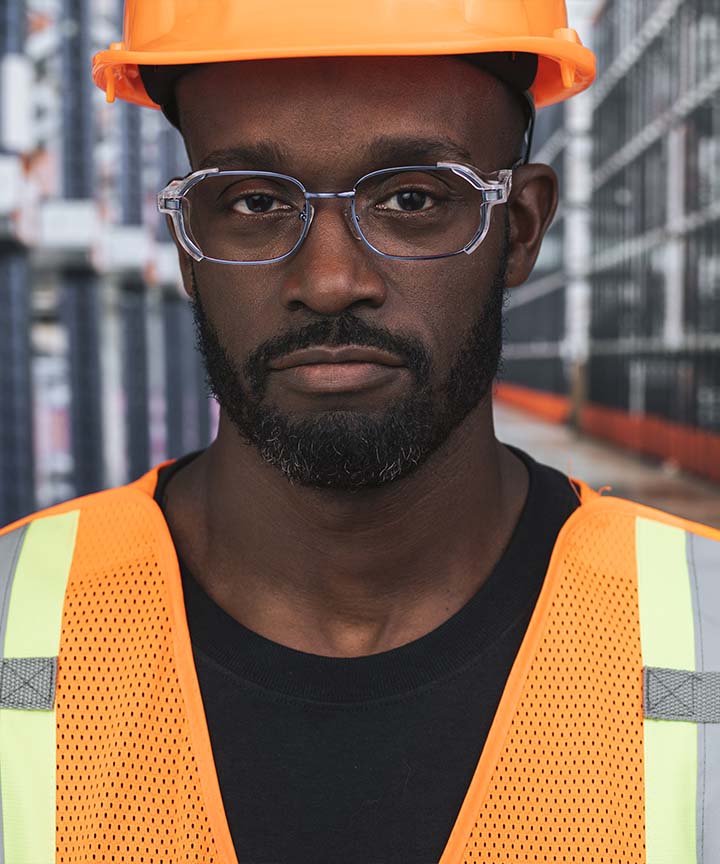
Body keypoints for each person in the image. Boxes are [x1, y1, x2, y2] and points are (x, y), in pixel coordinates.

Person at [1, 2, 718, 863]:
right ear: (188, 243)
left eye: (413, 199)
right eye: (255, 201)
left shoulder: (702, 631)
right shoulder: (17, 623)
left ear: (519, 229)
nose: (331, 280)